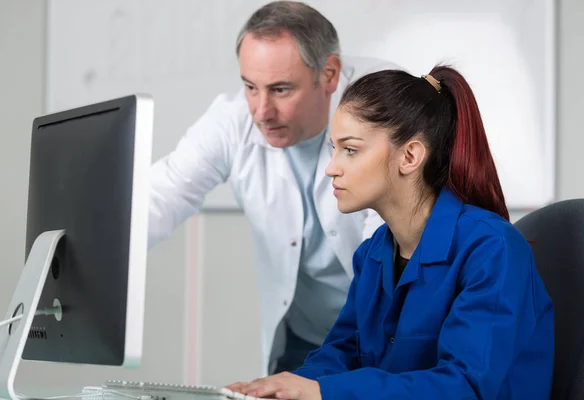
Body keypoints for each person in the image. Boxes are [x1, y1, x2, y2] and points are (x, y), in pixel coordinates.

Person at [228, 66, 555, 399]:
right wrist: (283, 387)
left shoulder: (492, 250)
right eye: (334, 149)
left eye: (350, 150)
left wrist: (323, 392)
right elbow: (342, 353)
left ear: (410, 156)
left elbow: (464, 387)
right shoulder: (373, 254)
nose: (331, 168)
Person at [148, 1, 400, 374]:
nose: (261, 111)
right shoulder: (233, 119)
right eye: (250, 87)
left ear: (328, 74)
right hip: (305, 339)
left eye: (281, 90)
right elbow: (159, 196)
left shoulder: (386, 108)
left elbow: (387, 247)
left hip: (386, 334)